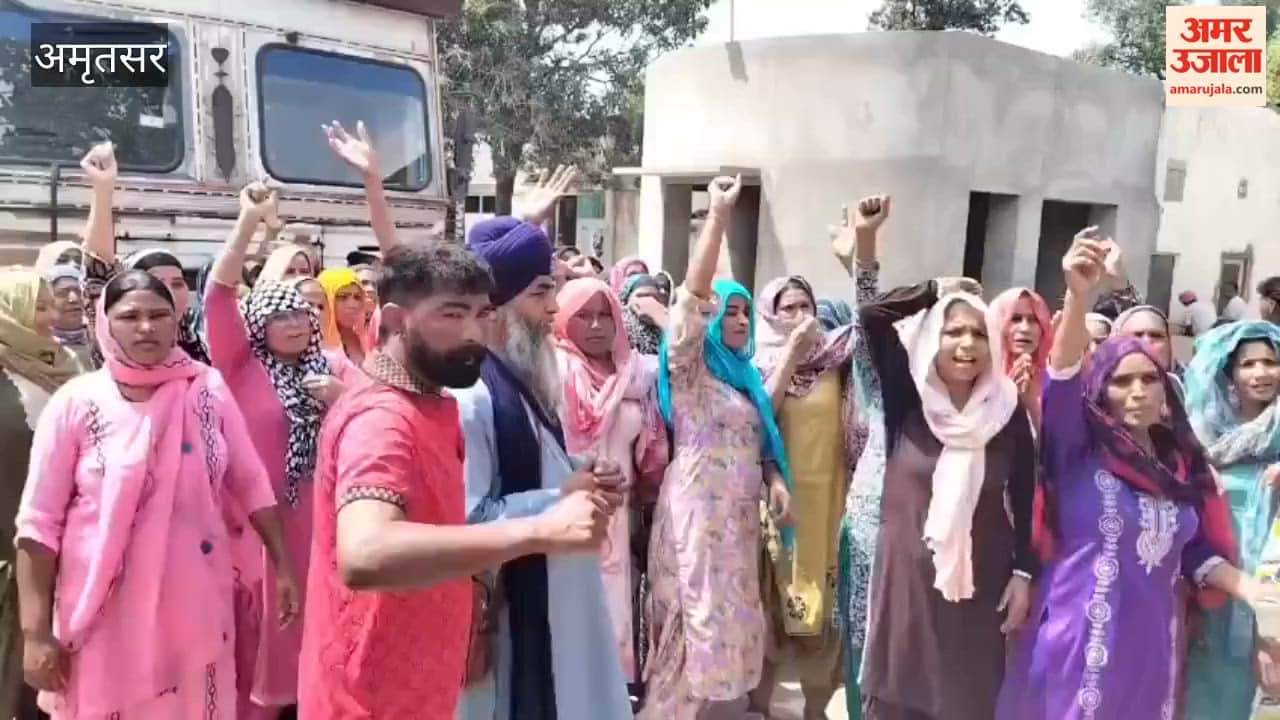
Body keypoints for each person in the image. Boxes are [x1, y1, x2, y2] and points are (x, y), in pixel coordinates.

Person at [297, 242, 613, 720]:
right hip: (372, 699)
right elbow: (365, 552)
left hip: (423, 686)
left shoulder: (432, 403)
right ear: (397, 320)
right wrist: (542, 529)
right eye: (451, 314)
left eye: (482, 313)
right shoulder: (383, 419)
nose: (472, 333)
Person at [996, 232, 1280, 720]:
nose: (1137, 392)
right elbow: (1061, 375)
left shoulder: (1179, 463)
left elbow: (1195, 553)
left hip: (1152, 648)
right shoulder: (1079, 448)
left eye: (1149, 379)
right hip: (1080, 643)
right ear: (1101, 392)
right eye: (1121, 381)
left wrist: (1253, 592)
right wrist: (1078, 293)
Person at [15, 270, 298, 719]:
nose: (146, 327)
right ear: (104, 323)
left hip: (195, 603)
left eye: (158, 314)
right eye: (130, 316)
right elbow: (37, 525)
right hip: (104, 614)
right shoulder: (76, 402)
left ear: (175, 320)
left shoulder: (206, 390)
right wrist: (34, 634)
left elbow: (251, 482)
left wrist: (283, 566)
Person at [455, 216, 632, 720]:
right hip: (513, 614)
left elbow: (536, 468)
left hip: (562, 597)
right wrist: (564, 495)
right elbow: (468, 519)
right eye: (540, 293)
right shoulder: (474, 396)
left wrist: (584, 474)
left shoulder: (515, 380)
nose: (554, 308)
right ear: (498, 306)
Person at [639, 176, 793, 720]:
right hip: (696, 522)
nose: (738, 319)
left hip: (736, 527)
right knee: (691, 633)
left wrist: (775, 482)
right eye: (730, 311)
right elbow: (691, 301)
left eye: (745, 312)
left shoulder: (745, 379)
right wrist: (719, 218)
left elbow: (761, 438)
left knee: (727, 638)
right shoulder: (690, 373)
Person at [856, 278, 1036, 720]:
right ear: (933, 337)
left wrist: (1023, 572)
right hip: (908, 585)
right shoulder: (908, 397)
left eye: (978, 333)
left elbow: (1026, 492)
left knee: (966, 700)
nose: (967, 344)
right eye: (953, 331)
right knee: (900, 698)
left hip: (979, 586)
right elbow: (872, 316)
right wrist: (933, 289)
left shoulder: (1006, 409)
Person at [205, 183, 347, 719]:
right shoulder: (241, 370)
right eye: (278, 316)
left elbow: (377, 415)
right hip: (257, 530)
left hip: (322, 528)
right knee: (253, 650)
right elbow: (219, 297)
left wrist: (342, 402)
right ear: (258, 325)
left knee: (316, 651)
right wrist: (246, 225)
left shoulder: (331, 371)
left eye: (300, 316)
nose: (292, 323)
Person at [750, 195, 889, 719]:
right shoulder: (759, 364)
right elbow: (762, 416)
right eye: (788, 308)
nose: (800, 316)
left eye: (806, 306)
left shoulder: (838, 360)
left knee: (824, 615)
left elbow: (873, 324)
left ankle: (812, 711)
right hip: (781, 504)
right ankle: (761, 709)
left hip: (831, 500)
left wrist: (853, 257)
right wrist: (789, 351)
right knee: (775, 608)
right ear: (771, 315)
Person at [552, 277, 669, 691]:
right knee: (569, 608)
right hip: (561, 508)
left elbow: (691, 356)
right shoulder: (553, 369)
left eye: (606, 315)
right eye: (584, 315)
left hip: (619, 517)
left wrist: (662, 318)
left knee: (615, 606)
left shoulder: (634, 372)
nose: (597, 325)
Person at [1183, 321, 1280, 719]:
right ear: (1227, 372)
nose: (1261, 373)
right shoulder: (1201, 435)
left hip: (1271, 592)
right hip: (1213, 587)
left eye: (1271, 362)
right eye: (1248, 364)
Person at [0, 268, 80, 720]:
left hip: (56, 557)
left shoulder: (62, 366)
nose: (50, 316)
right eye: (39, 305)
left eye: (51, 304)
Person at [77, 142, 211, 364]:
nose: (169, 290)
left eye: (177, 283)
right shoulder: (118, 344)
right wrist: (103, 190)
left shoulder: (199, 347)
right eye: (158, 282)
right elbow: (98, 268)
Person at [989, 287, 1053, 430]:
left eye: (1033, 320)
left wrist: (1032, 405)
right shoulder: (978, 378)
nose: (1025, 328)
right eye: (1015, 319)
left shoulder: (1054, 383)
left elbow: (1058, 447)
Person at [317, 267, 371, 366]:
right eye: (342, 297)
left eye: (357, 297)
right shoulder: (313, 343)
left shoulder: (368, 337)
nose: (353, 305)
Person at [45, 264, 91, 370]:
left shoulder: (101, 343)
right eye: (62, 293)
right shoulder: (39, 346)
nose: (73, 299)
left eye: (79, 291)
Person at [620, 274, 669, 355]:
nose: (648, 301)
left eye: (654, 297)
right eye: (641, 296)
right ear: (627, 300)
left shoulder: (664, 331)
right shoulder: (617, 330)